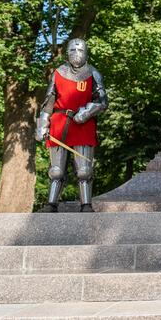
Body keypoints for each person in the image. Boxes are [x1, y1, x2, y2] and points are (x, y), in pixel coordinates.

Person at [35, 39, 108, 213]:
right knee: (56, 170)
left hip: (83, 125)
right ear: (67, 52)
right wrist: (42, 124)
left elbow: (102, 100)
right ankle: (51, 204)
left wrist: (87, 112)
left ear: (86, 52)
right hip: (59, 123)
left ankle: (86, 204)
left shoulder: (93, 73)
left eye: (80, 50)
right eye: (73, 50)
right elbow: (49, 100)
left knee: (84, 170)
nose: (77, 53)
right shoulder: (59, 73)